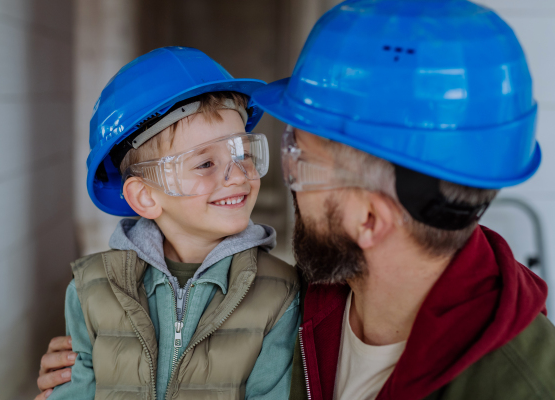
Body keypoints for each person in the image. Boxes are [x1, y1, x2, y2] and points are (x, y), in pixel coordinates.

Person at [249, 0, 555, 399]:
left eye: (301, 163)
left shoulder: (523, 387)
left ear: (370, 219)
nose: (290, 184)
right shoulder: (287, 312)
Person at [35, 46, 300, 400]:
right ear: (145, 196)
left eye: (244, 155)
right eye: (205, 164)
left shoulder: (279, 293)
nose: (237, 176)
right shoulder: (89, 290)